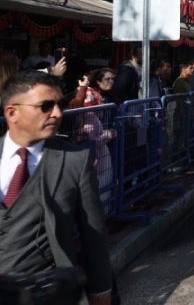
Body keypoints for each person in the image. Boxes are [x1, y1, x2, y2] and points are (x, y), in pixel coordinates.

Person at [0, 71, 113, 304]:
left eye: (59, 104)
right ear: (12, 113)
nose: (58, 113)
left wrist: (100, 293)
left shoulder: (75, 160)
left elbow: (94, 236)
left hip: (49, 293)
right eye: (46, 106)